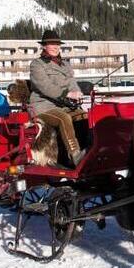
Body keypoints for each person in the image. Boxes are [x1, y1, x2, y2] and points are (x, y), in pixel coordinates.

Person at [29, 30, 88, 166]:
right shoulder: (37, 64)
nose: (56, 47)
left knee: (83, 115)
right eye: (52, 44)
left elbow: (72, 83)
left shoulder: (66, 65)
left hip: (62, 105)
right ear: (44, 46)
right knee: (63, 118)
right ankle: (75, 156)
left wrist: (76, 94)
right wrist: (67, 94)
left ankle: (87, 149)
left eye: (57, 44)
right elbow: (45, 86)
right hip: (42, 106)